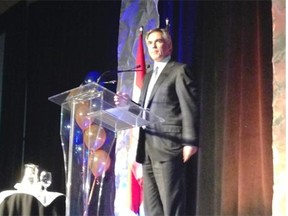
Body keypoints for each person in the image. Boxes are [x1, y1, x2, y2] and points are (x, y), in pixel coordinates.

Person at [115, 28, 199, 216]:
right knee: (152, 209)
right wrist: (127, 104)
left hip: (168, 146)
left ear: (168, 46)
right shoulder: (148, 76)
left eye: (158, 41)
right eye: (150, 43)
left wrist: (190, 142)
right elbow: (144, 113)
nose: (153, 46)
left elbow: (190, 107)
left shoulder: (179, 70)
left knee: (172, 207)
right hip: (147, 150)